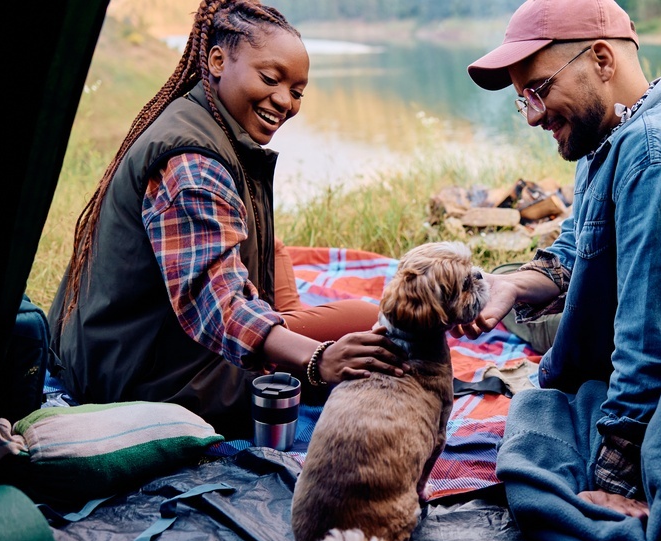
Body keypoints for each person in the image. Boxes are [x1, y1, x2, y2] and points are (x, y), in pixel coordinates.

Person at [458, 0, 661, 517]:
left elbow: (653, 336)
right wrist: (520, 284)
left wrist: (615, 476)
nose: (533, 116)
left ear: (602, 60)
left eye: (538, 90)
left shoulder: (654, 158)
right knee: (500, 292)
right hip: (630, 301)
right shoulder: (611, 131)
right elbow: (579, 239)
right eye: (523, 101)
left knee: (544, 424)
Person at [48, 0, 407, 439]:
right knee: (373, 324)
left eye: (296, 91)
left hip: (123, 347)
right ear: (217, 60)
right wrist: (317, 361)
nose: (284, 101)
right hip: (146, 377)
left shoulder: (209, 122)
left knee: (315, 295)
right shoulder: (192, 161)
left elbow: (247, 244)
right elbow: (215, 303)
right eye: (271, 79)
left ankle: (281, 330)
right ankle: (284, 341)